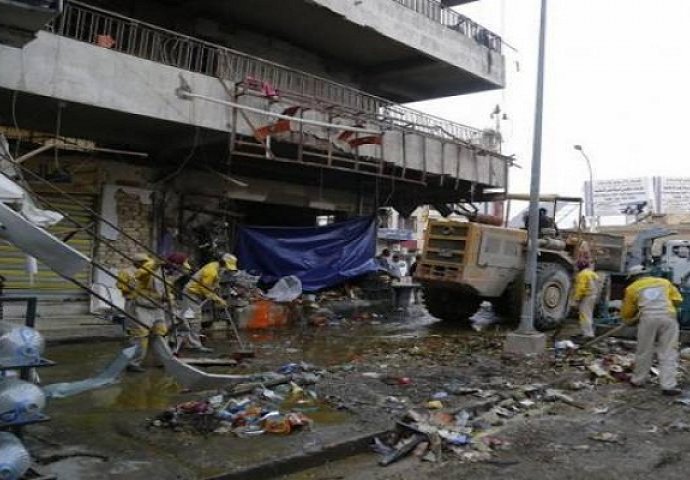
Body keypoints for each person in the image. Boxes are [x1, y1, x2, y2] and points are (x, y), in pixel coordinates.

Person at [621, 265, 683, 396]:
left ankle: (638, 380)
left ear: (633, 278)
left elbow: (627, 313)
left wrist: (631, 319)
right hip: (668, 317)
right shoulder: (664, 282)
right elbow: (678, 300)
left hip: (647, 319)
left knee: (644, 350)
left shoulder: (632, 288)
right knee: (668, 351)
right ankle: (668, 386)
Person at [117, 253, 168, 373]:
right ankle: (133, 362)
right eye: (143, 263)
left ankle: (161, 360)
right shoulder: (131, 272)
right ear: (137, 263)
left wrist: (167, 297)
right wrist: (131, 289)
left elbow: (165, 288)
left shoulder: (158, 273)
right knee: (140, 335)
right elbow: (124, 286)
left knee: (160, 333)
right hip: (138, 305)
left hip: (157, 306)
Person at [182, 253, 238, 352]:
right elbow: (205, 289)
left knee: (189, 317)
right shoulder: (211, 271)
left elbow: (214, 282)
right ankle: (193, 345)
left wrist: (216, 288)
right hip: (191, 294)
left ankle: (187, 340)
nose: (227, 269)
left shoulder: (217, 267)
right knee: (194, 319)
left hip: (196, 294)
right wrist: (218, 299)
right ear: (223, 262)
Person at [572, 261, 599, 339]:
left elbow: (580, 288)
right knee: (589, 314)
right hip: (593, 295)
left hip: (586, 296)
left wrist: (576, 299)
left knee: (584, 315)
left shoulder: (582, 274)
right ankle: (588, 332)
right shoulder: (592, 273)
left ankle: (588, 334)